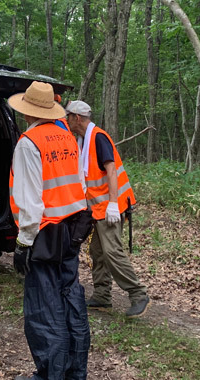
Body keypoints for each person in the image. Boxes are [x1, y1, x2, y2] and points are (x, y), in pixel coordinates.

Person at [9, 81, 92, 380]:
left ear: (28, 112)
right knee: (72, 300)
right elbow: (79, 184)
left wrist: (22, 243)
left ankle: (49, 374)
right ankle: (74, 372)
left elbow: (30, 203)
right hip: (71, 231)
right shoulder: (67, 137)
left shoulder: (28, 143)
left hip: (44, 235)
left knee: (45, 308)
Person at [64, 100, 150, 317]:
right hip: (98, 208)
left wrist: (113, 204)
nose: (66, 120)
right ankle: (102, 296)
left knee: (112, 251)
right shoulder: (85, 139)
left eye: (68, 117)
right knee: (97, 252)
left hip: (111, 206)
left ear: (77, 118)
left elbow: (111, 171)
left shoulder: (98, 138)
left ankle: (138, 294)